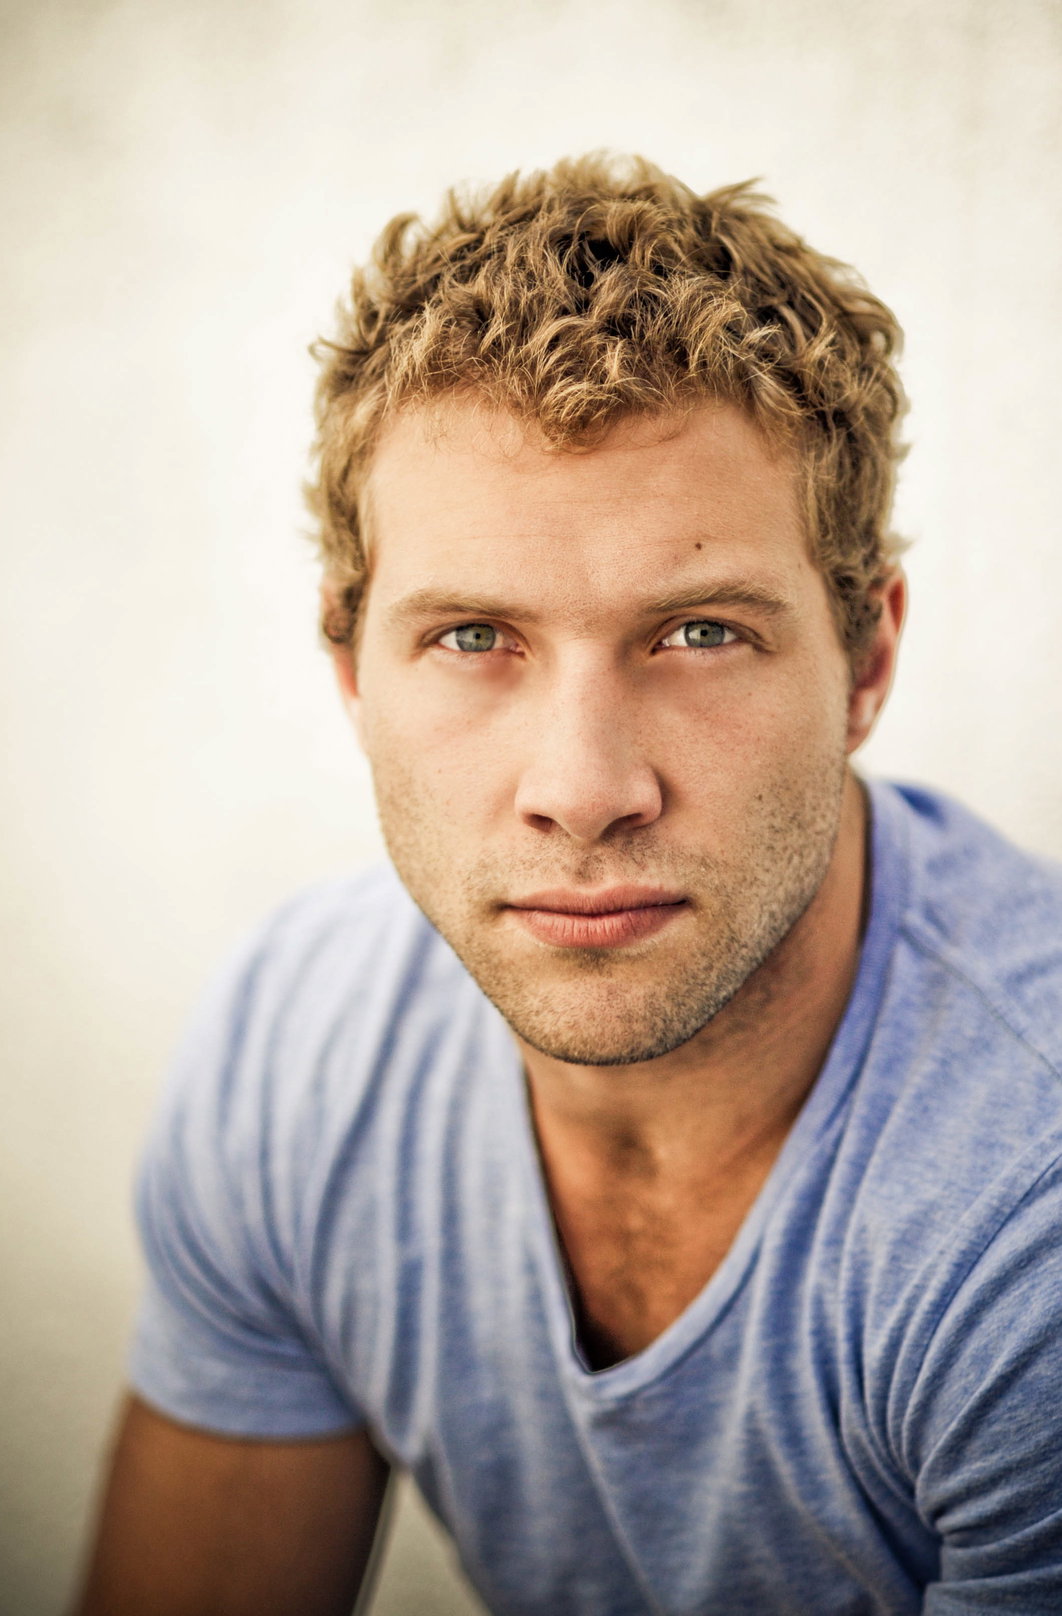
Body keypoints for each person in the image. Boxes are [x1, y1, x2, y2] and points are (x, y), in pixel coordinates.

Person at [75, 156, 1062, 1615]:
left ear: (865, 662)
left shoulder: (1027, 1212)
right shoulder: (302, 1050)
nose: (585, 787)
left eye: (700, 633)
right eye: (474, 637)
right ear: (351, 671)